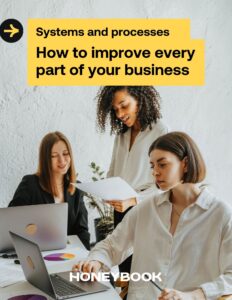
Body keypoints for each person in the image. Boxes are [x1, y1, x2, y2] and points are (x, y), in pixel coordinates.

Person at [73, 132, 232, 300]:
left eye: (162, 165)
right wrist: (96, 261)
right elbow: (112, 245)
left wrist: (192, 295)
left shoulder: (221, 215)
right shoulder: (146, 209)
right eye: (152, 166)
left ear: (185, 163)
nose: (155, 172)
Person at [96, 86, 168, 276]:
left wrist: (133, 199)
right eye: (115, 109)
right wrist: (105, 192)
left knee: (145, 276)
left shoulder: (159, 131)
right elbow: (113, 171)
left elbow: (165, 185)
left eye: (124, 105)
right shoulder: (121, 136)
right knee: (126, 273)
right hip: (122, 211)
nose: (119, 113)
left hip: (146, 210)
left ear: (139, 100)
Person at [9, 131, 90, 250]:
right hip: (37, 253)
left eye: (65, 153)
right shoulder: (30, 184)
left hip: (69, 255)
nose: (62, 160)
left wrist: (84, 257)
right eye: (54, 156)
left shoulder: (77, 188)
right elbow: (11, 222)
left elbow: (82, 231)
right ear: (45, 159)